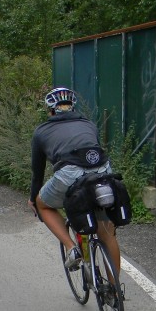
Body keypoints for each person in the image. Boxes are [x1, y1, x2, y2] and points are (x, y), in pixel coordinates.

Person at [28, 87, 121, 274]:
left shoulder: (41, 131)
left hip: (69, 173)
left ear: (51, 109)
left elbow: (37, 173)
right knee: (106, 231)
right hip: (102, 171)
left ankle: (71, 248)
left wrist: (32, 198)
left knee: (42, 204)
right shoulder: (88, 124)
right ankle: (114, 292)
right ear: (72, 107)